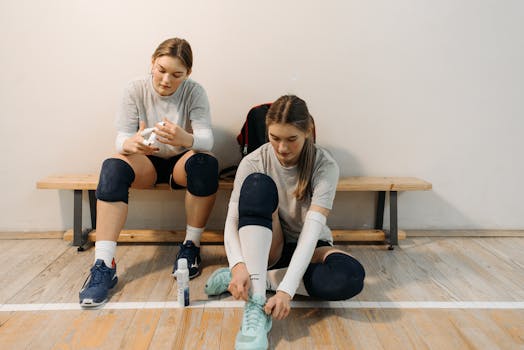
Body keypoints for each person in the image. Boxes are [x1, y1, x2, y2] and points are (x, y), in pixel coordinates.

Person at [204, 95, 365, 349]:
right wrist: (236, 264)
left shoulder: (325, 166)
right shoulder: (253, 162)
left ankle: (260, 279)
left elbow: (311, 233)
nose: (282, 148)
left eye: (292, 139)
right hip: (268, 245)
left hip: (310, 246)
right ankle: (256, 304)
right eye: (274, 138)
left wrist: (285, 290)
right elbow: (232, 221)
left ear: (308, 132)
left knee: (351, 276)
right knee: (257, 184)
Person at [79, 38, 218, 308]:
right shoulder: (134, 88)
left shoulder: (195, 91)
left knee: (206, 163)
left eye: (177, 74)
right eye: (161, 70)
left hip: (181, 162)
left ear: (187, 74)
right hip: (147, 161)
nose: (166, 79)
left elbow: (207, 140)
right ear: (152, 63)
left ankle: (191, 248)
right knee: (113, 166)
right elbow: (120, 139)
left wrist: (184, 138)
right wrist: (130, 144)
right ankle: (104, 264)